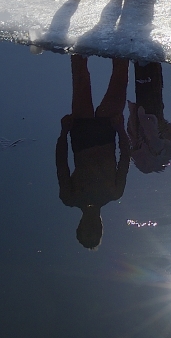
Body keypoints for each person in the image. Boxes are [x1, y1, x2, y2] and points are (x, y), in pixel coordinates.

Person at [56, 54, 131, 250]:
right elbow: (125, 158)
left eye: (86, 229)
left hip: (81, 135)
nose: (91, 225)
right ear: (101, 226)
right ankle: (124, 40)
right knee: (120, 77)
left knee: (80, 76)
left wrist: (64, 132)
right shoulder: (114, 193)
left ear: (79, 225)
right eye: (95, 230)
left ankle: (80, 38)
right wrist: (120, 129)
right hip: (108, 132)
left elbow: (61, 164)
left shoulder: (69, 197)